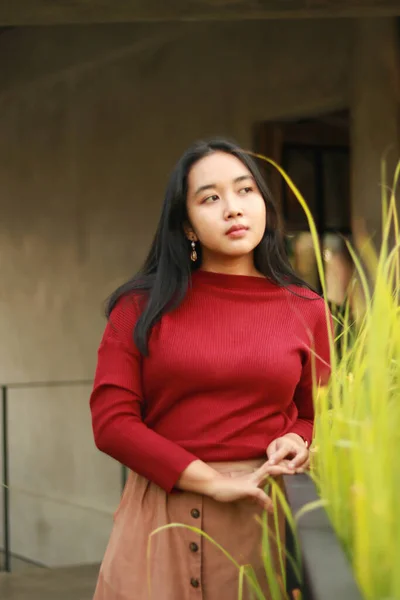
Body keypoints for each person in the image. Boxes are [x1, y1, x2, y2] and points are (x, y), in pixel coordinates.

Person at [89, 138, 332, 600]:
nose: (233, 209)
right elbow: (112, 424)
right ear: (187, 226)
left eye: (245, 191)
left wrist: (297, 438)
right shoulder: (139, 307)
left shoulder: (306, 307)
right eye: (211, 198)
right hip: (160, 520)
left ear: (264, 204)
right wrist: (212, 482)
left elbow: (315, 411)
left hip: (263, 515)